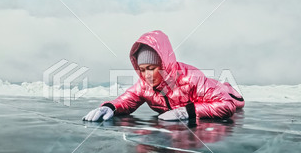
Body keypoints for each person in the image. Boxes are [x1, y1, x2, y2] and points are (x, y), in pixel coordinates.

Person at [83, 30, 244, 122]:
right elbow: (127, 100)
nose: (146, 75)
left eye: (151, 68)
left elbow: (226, 104)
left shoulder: (191, 78)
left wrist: (187, 112)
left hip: (225, 93)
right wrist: (110, 107)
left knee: (231, 96)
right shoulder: (144, 85)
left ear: (163, 64)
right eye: (142, 69)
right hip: (207, 94)